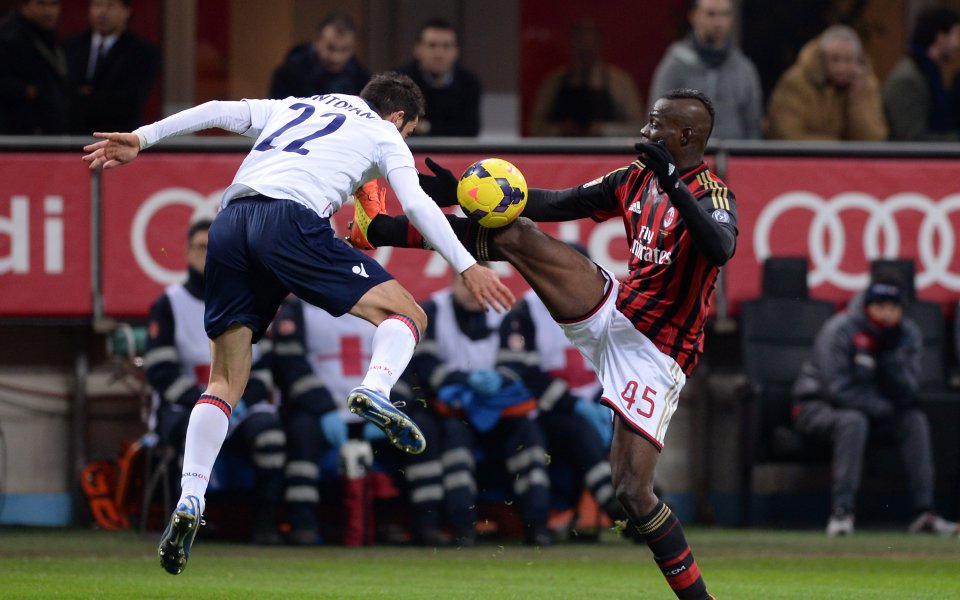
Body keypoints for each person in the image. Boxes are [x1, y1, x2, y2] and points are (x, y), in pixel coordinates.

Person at [82, 71, 513, 575]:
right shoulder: (382, 132)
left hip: (230, 221)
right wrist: (466, 264)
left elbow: (218, 107)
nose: (406, 140)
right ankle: (376, 389)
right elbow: (416, 201)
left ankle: (190, 499)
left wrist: (143, 137)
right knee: (407, 313)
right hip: (291, 220)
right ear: (398, 118)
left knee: (224, 381)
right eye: (410, 132)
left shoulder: (298, 105)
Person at [351, 87, 733, 600]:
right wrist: (455, 192)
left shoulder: (712, 193)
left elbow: (721, 246)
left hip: (658, 353)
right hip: (614, 312)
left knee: (632, 491)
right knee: (518, 233)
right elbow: (553, 202)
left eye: (657, 124)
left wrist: (673, 182)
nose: (645, 132)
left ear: (685, 136)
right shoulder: (635, 178)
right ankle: (377, 228)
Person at [143, 218, 285, 545]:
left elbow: (263, 367)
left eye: (212, 247)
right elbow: (160, 370)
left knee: (270, 434)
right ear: (187, 252)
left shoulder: (251, 300)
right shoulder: (170, 303)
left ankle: (263, 525)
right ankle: (192, 522)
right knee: (189, 433)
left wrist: (240, 402)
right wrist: (207, 404)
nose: (206, 254)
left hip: (241, 404)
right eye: (200, 247)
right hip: (183, 406)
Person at [791, 272, 958, 537]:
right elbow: (837, 390)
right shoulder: (840, 329)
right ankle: (842, 513)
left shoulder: (906, 335)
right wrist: (883, 407)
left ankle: (925, 512)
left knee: (914, 420)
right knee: (853, 420)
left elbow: (911, 390)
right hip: (817, 407)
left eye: (894, 308)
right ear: (867, 306)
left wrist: (890, 359)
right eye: (881, 306)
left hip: (875, 411)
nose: (887, 314)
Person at [396, 269, 553, 547]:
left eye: (477, 285)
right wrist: (465, 381)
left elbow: (520, 363)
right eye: (465, 284)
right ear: (453, 282)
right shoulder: (432, 309)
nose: (471, 291)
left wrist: (499, 379)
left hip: (499, 409)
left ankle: (537, 524)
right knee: (456, 443)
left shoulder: (506, 312)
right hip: (452, 409)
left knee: (528, 437)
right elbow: (424, 364)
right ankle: (462, 527)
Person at [498, 263, 633, 539]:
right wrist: (575, 405)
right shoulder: (528, 311)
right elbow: (527, 376)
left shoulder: (606, 308)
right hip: (542, 411)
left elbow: (619, 363)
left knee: (629, 431)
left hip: (596, 405)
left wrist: (605, 400)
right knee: (576, 432)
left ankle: (634, 504)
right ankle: (618, 508)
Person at [271, 297, 401, 545]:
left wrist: (386, 410)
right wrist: (322, 407)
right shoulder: (299, 307)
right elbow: (290, 364)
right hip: (320, 410)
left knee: (408, 438)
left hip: (373, 409)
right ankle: (303, 524)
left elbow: (402, 358)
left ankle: (394, 522)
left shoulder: (383, 301)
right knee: (302, 435)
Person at [649, 0, 762, 140]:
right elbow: (656, 122)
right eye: (711, 14)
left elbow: (753, 128)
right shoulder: (674, 65)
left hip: (735, 157)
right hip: (684, 159)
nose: (718, 22)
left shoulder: (744, 69)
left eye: (725, 14)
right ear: (693, 16)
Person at [765, 25, 887, 141]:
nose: (842, 68)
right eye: (835, 59)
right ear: (821, 59)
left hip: (851, 161)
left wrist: (855, 99)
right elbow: (786, 134)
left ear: (858, 60)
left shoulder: (865, 84)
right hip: (803, 159)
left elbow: (873, 139)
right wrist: (838, 148)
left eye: (848, 60)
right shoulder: (796, 82)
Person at [528, 20, 644, 137]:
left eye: (590, 43)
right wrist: (559, 129)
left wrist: (604, 129)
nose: (585, 48)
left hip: (607, 153)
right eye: (581, 42)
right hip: (563, 152)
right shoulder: (554, 82)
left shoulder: (620, 82)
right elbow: (534, 128)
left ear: (600, 43)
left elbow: (639, 127)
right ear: (572, 43)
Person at [63, 0, 160, 134]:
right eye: (97, 5)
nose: (102, 12)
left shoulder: (143, 52)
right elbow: (63, 93)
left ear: (126, 11)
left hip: (120, 137)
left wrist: (87, 97)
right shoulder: (70, 47)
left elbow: (131, 101)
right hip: (73, 138)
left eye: (110, 6)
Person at [884, 7, 960, 142]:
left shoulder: (929, 75)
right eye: (956, 36)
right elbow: (913, 138)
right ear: (940, 37)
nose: (957, 44)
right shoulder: (908, 80)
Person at [395, 18, 481, 137]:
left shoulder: (469, 83)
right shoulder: (399, 82)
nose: (439, 54)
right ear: (417, 49)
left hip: (455, 153)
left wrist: (425, 128)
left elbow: (469, 131)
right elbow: (397, 126)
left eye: (446, 46)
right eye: (432, 45)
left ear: (456, 51)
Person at [0, 0, 70, 134]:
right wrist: (26, 91)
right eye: (41, 4)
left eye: (53, 4)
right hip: (14, 130)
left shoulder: (48, 33)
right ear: (23, 5)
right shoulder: (8, 35)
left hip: (48, 127)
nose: (48, 11)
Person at [269, 14, 370, 99]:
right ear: (317, 41)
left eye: (344, 50)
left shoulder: (362, 80)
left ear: (354, 47)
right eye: (331, 48)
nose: (336, 58)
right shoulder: (289, 74)